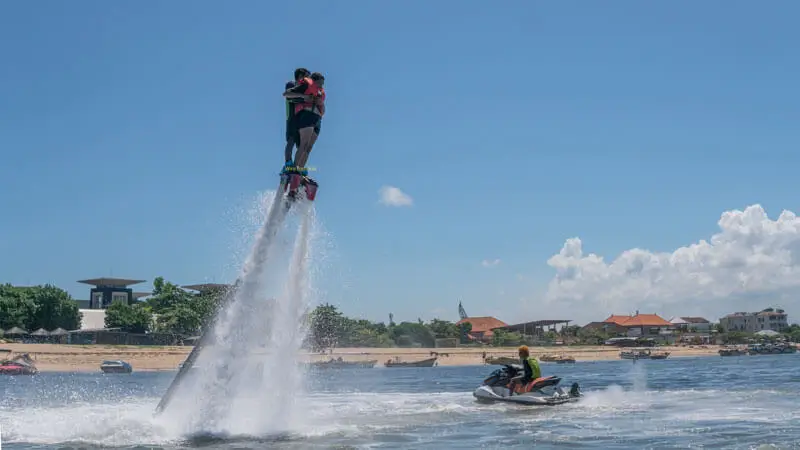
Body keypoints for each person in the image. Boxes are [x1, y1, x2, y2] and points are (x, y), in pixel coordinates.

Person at [282, 72, 325, 176]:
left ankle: (300, 170)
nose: (322, 85)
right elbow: (286, 94)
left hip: (317, 119)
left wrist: (321, 103)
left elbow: (323, 111)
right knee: (304, 144)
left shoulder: (320, 92)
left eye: (323, 83)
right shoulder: (306, 85)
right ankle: (294, 169)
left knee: (309, 147)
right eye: (320, 82)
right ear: (315, 80)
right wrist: (304, 97)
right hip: (307, 116)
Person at [283, 68, 310, 170]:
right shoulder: (291, 84)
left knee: (301, 144)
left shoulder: (305, 88)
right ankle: (288, 163)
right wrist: (304, 98)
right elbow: (289, 97)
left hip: (302, 119)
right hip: (292, 117)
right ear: (301, 76)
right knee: (291, 140)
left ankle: (298, 166)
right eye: (307, 76)